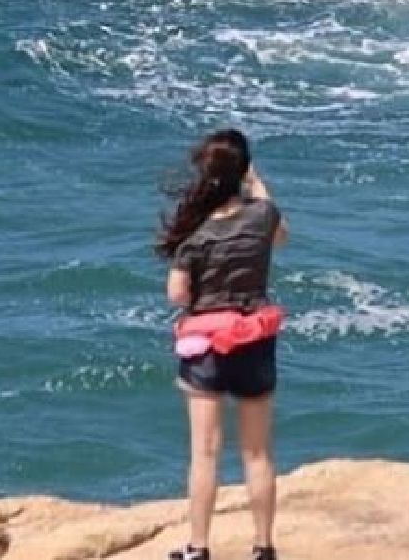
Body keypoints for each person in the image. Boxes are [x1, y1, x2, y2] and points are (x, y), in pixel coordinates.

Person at [156, 128, 289, 560]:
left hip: (207, 345)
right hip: (254, 339)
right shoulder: (263, 216)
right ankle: (264, 547)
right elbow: (281, 235)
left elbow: (176, 295)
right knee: (257, 453)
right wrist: (254, 177)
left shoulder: (195, 237)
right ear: (243, 172)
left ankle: (198, 548)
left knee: (205, 453)